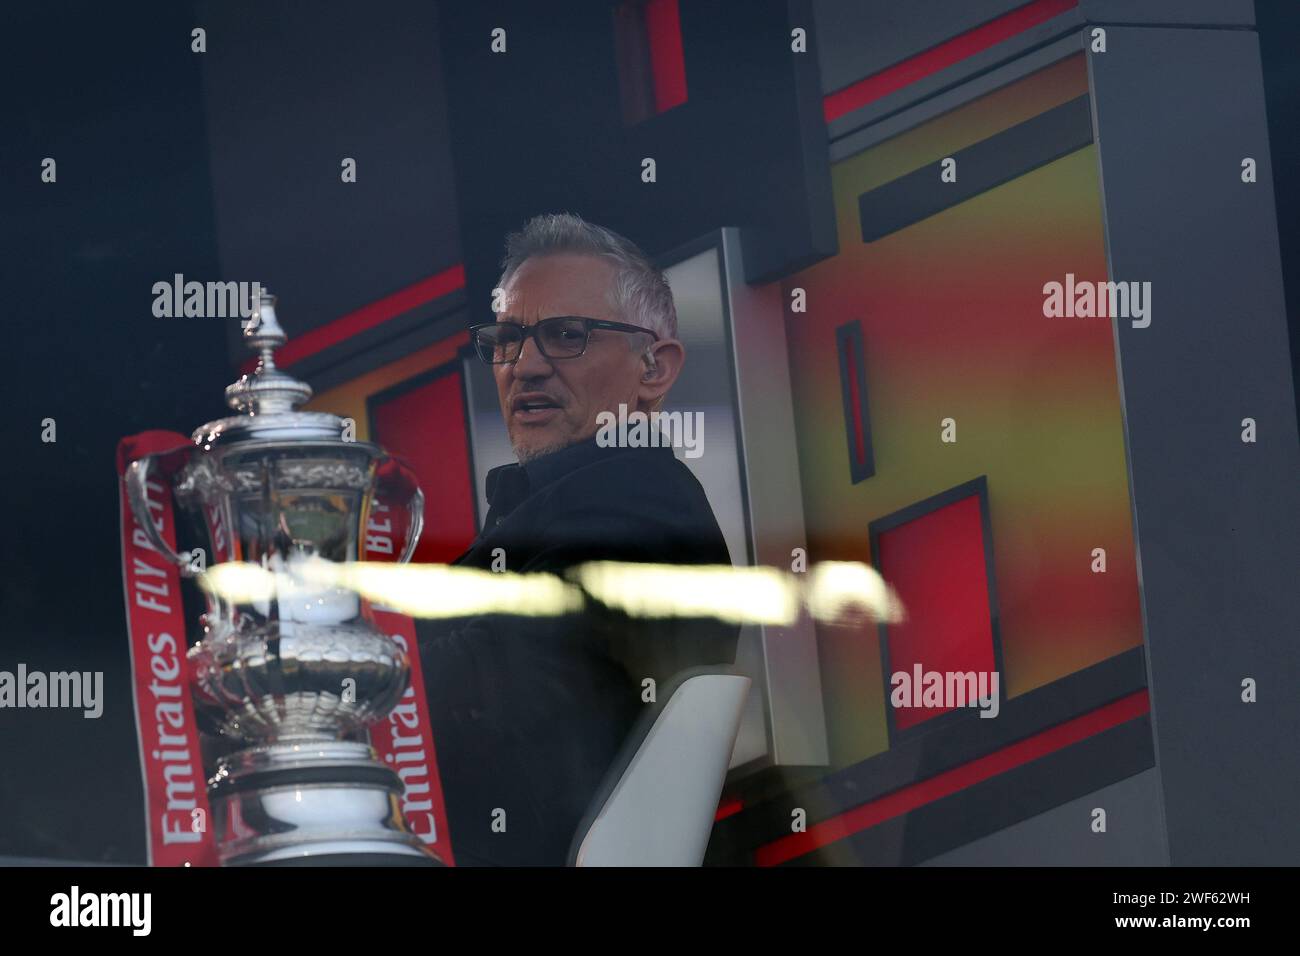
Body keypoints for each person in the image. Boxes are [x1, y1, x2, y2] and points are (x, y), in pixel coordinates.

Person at [416, 213, 738, 866]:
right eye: (507, 341)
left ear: (655, 367)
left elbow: (499, 681)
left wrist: (332, 666)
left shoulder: (645, 504)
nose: (524, 367)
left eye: (567, 337)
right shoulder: (546, 507)